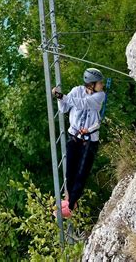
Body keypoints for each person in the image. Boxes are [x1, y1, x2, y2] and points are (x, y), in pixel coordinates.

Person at [52, 68, 106, 217]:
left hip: (89, 141)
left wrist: (63, 96)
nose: (102, 85)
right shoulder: (76, 91)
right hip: (74, 136)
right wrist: (60, 99)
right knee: (70, 171)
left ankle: (70, 207)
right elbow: (64, 108)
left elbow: (83, 104)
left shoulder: (100, 96)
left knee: (82, 173)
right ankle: (70, 200)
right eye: (99, 82)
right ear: (91, 84)